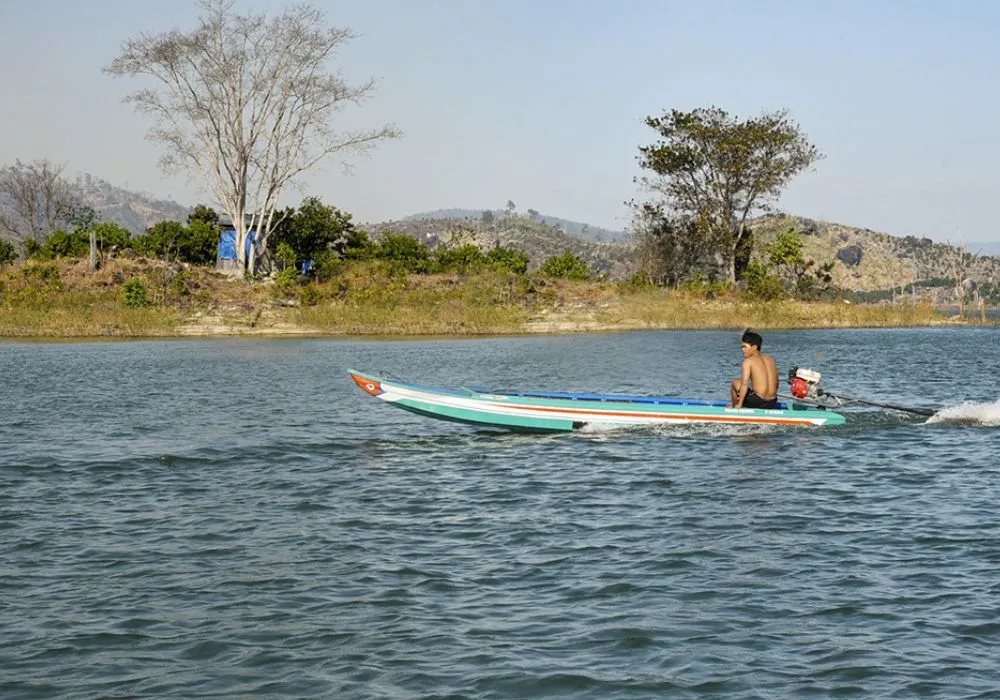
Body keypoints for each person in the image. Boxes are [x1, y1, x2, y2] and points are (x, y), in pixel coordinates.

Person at [730, 329, 779, 409]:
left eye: (745, 347)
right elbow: (776, 383)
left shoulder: (748, 361)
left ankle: (735, 408)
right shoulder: (771, 359)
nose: (742, 350)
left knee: (735, 383)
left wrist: (740, 403)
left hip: (758, 402)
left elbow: (745, 383)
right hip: (772, 402)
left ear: (754, 347)